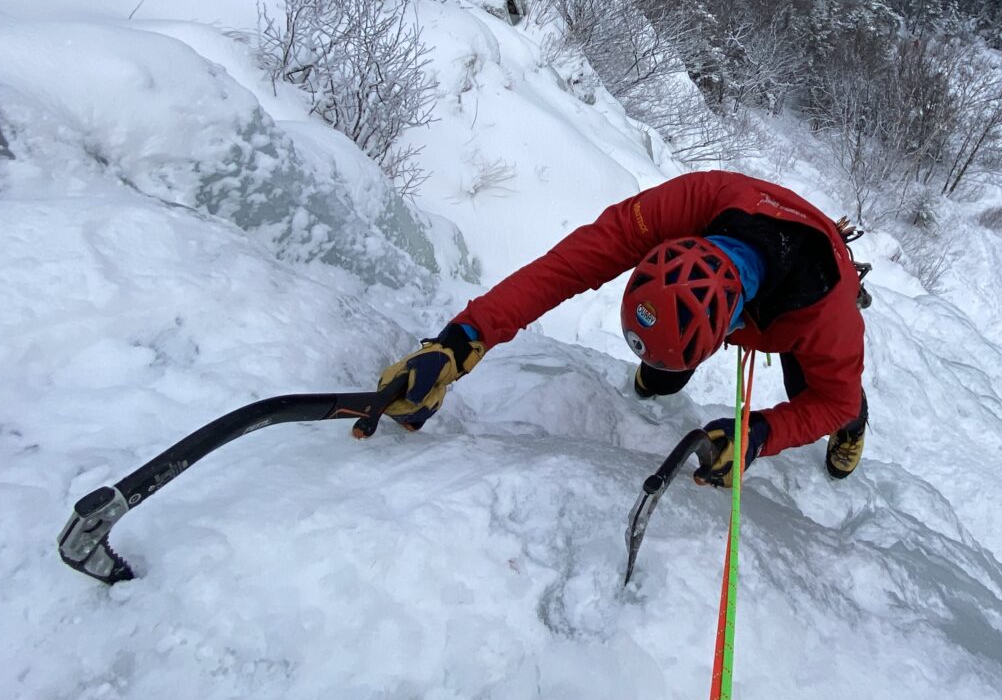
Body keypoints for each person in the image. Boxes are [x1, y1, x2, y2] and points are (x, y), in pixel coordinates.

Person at [359, 170, 870, 484]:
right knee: (666, 354)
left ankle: (854, 435)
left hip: (809, 291)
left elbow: (835, 399)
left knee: (821, 394)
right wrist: (461, 340)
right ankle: (666, 360)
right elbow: (569, 265)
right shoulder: (699, 200)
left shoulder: (828, 319)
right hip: (740, 249)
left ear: (734, 327)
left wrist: (761, 432)